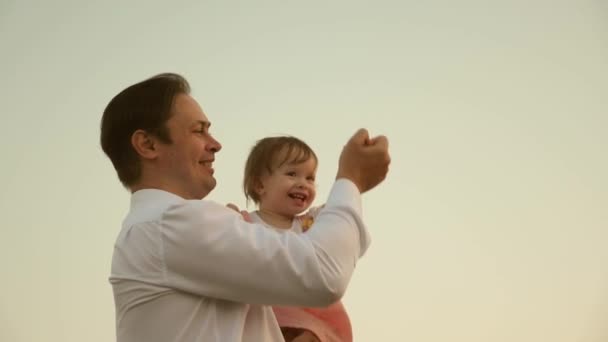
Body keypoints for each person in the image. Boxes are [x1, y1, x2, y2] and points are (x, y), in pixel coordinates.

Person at [100, 72, 390, 342]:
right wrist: (352, 179)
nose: (215, 144)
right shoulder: (169, 224)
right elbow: (322, 273)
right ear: (148, 145)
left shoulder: (159, 228)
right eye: (198, 131)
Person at [240, 136, 353, 342]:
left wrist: (351, 184)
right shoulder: (243, 223)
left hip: (309, 312)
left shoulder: (311, 223)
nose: (303, 184)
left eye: (310, 178)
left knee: (311, 335)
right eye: (292, 174)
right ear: (259, 185)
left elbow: (340, 220)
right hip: (268, 311)